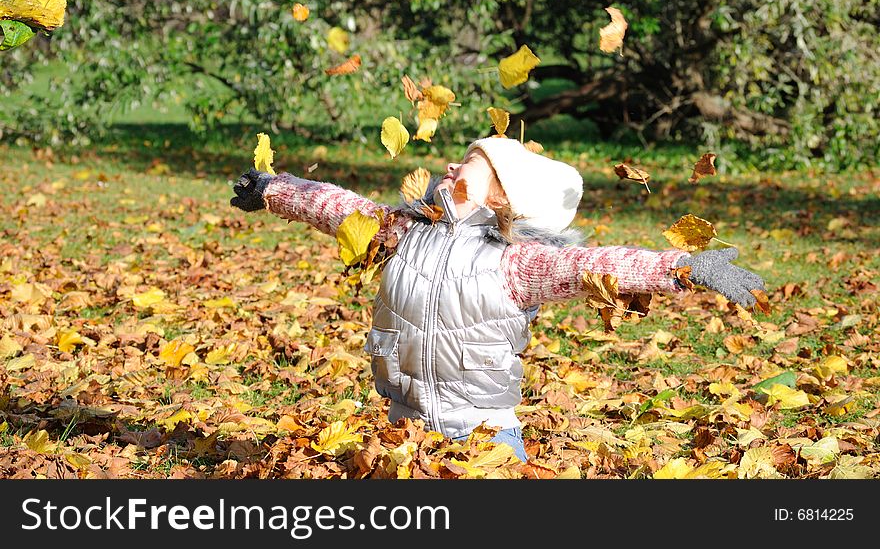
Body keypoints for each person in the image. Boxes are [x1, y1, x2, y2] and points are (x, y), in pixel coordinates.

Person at [230, 137, 765, 463]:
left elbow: (592, 265)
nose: (449, 168)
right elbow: (338, 207)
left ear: (501, 192)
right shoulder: (405, 229)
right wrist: (274, 189)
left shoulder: (519, 260)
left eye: (469, 162)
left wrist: (683, 267)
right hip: (404, 422)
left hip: (484, 433)